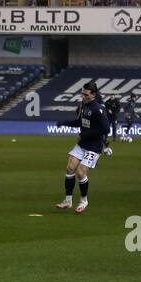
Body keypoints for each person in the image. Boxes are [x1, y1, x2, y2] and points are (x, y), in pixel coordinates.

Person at [53, 80, 112, 214]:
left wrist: (86, 134)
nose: (83, 97)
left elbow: (106, 129)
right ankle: (67, 201)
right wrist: (64, 123)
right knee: (70, 168)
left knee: (80, 173)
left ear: (94, 94)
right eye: (82, 94)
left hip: (94, 146)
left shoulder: (98, 109)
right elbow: (80, 122)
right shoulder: (84, 106)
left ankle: (84, 201)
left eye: (86, 95)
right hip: (83, 143)